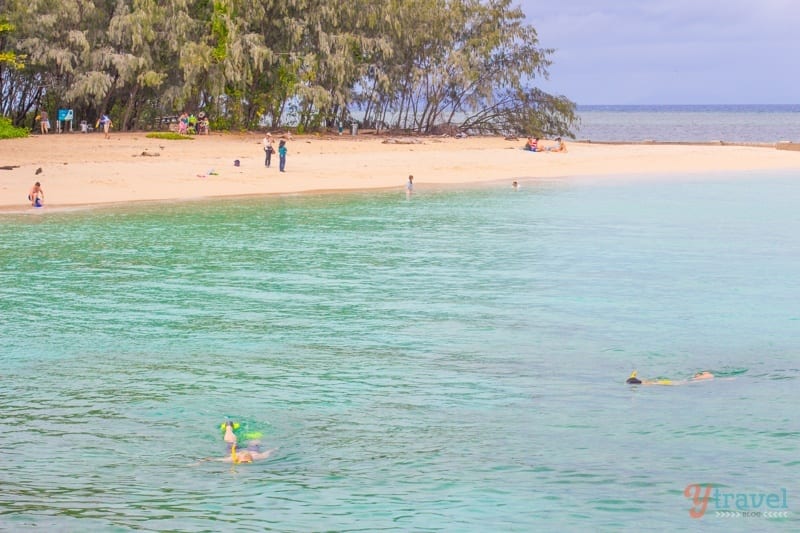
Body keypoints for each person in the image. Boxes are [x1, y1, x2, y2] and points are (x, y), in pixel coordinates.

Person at [626, 370, 715, 386]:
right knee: (692, 380)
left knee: (692, 380)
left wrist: (633, 376)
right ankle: (705, 375)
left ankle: (705, 375)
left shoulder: (645, 383)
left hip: (673, 383)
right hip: (674, 383)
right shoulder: (647, 383)